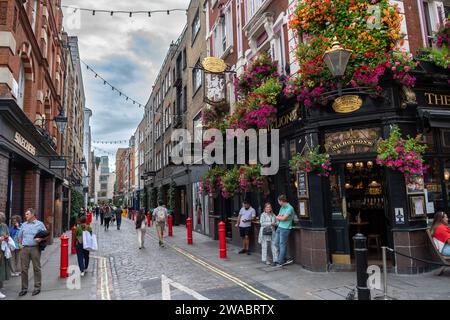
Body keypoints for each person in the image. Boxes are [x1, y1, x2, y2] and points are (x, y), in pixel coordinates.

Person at [17, 208, 49, 297]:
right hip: (24, 249)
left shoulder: (40, 224)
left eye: (27, 214)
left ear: (32, 215)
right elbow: (19, 236)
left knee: (37, 268)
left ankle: (37, 287)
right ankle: (24, 289)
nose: (25, 216)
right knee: (23, 269)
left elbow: (46, 235)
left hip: (35, 248)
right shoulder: (23, 225)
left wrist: (41, 239)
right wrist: (19, 244)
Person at [274, 195, 295, 266]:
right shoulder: (282, 207)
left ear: (281, 201)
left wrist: (280, 217)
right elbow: (280, 216)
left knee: (282, 244)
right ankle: (286, 258)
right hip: (279, 227)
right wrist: (280, 217)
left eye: (278, 201)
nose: (278, 203)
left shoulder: (290, 208)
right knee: (276, 243)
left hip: (285, 228)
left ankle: (280, 261)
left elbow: (283, 218)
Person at [0, 212, 10, 299]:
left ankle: (0, 286)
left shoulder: (4, 226)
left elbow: (7, 235)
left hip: (2, 251)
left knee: (2, 269)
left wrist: (6, 238)